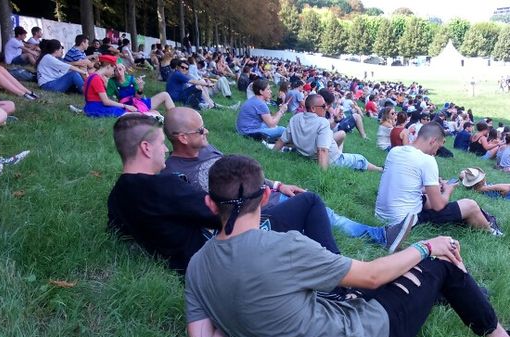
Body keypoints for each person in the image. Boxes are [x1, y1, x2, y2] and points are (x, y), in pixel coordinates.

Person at [183, 154, 510, 337]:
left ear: (210, 203)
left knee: (402, 272)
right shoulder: (284, 246)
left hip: (330, 324)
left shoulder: (198, 265)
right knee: (440, 260)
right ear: (265, 198)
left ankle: (448, 296)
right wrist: (426, 246)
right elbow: (371, 277)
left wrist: (242, 315)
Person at [106, 112, 403, 275]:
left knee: (300, 207)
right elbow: (220, 215)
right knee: (309, 202)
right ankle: (343, 276)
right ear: (145, 148)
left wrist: (271, 187)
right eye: (160, 144)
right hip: (222, 251)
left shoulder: (118, 196)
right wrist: (260, 202)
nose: (164, 149)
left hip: (203, 252)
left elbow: (120, 232)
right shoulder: (167, 183)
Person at [161, 107, 415, 253]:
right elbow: (201, 213)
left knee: (315, 206)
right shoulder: (175, 173)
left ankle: (376, 237)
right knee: (316, 210)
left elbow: (241, 172)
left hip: (262, 199)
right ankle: (377, 239)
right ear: (182, 138)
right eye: (199, 130)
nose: (206, 132)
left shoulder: (208, 149)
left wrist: (278, 185)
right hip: (249, 218)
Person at [375, 123, 502, 235]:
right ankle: (493, 233)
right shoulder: (427, 160)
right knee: (470, 205)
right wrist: (448, 190)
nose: (436, 153)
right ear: (433, 141)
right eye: (438, 147)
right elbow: (439, 206)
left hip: (382, 215)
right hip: (404, 222)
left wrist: (434, 187)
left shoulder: (395, 151)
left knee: (429, 198)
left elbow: (405, 185)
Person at [274, 94, 382, 172]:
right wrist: (323, 174)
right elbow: (322, 150)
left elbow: (282, 140)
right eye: (323, 106)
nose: (325, 108)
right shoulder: (322, 122)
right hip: (330, 159)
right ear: (313, 108)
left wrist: (273, 152)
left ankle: (340, 153)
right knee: (360, 159)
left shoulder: (295, 118)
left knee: (341, 134)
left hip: (309, 153)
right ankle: (381, 169)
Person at [107, 63, 174, 113]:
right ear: (113, 72)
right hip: (127, 107)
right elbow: (109, 98)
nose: (118, 72)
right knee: (155, 113)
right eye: (115, 70)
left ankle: (174, 115)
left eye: (120, 69)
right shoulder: (112, 82)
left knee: (165, 95)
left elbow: (139, 97)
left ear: (124, 69)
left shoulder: (132, 79)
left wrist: (140, 88)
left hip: (140, 103)